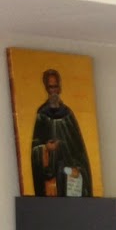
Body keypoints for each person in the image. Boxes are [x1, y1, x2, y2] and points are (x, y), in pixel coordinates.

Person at [29, 68, 93, 197]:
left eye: (55, 86)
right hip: (51, 178)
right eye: (50, 87)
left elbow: (79, 150)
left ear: (60, 88)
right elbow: (35, 147)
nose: (53, 90)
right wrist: (46, 148)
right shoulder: (42, 115)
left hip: (68, 175)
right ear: (46, 88)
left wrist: (78, 168)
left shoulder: (68, 115)